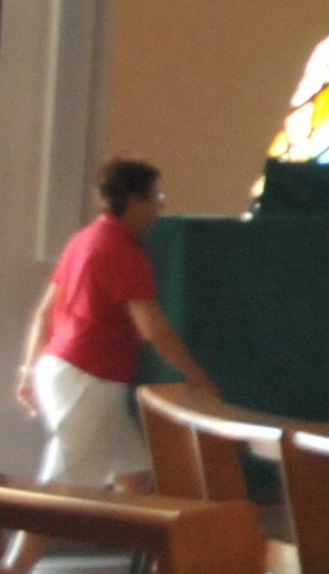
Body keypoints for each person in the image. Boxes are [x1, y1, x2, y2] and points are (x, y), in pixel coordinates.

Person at [16, 157, 217, 492]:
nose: (159, 207)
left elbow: (44, 314)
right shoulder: (122, 250)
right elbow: (153, 328)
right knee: (62, 487)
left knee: (135, 474)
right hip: (89, 377)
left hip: (62, 369)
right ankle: (24, 531)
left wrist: (28, 372)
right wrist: (195, 374)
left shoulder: (84, 239)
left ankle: (131, 528)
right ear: (135, 200)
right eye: (155, 197)